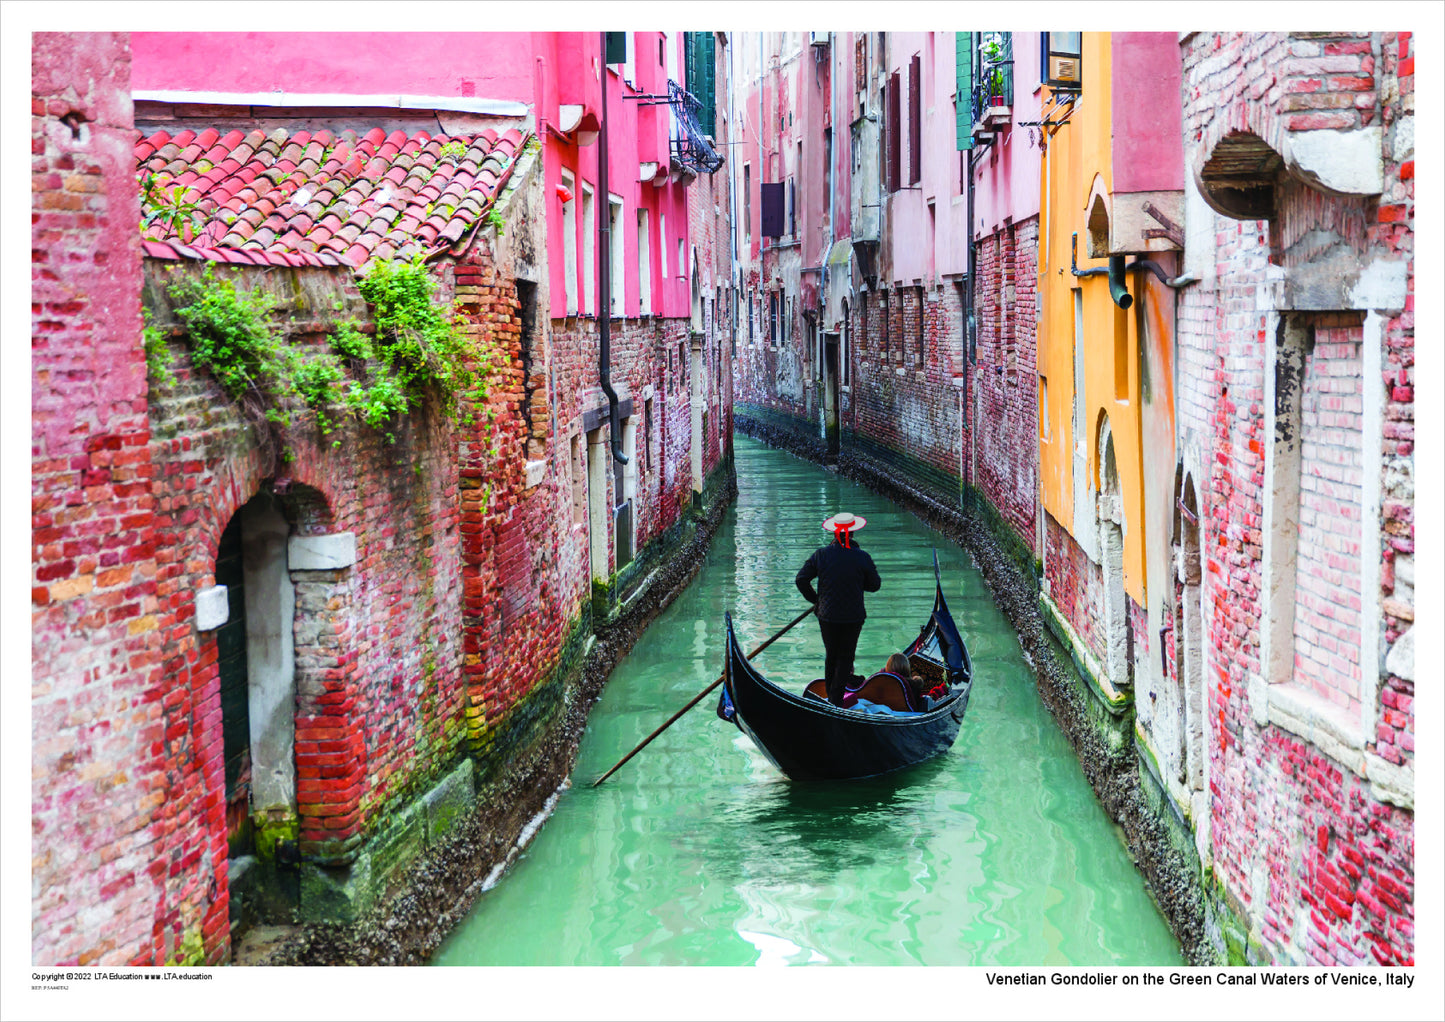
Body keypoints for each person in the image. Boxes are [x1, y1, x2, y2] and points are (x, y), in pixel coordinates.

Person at [795, 511, 881, 706]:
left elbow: (801, 579)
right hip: (853, 616)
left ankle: (832, 700)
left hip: (827, 615)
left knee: (831, 655)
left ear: (835, 533)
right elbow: (875, 585)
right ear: (851, 534)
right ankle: (834, 702)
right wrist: (858, 583)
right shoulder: (862, 557)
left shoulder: (821, 555)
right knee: (845, 658)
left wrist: (816, 600)